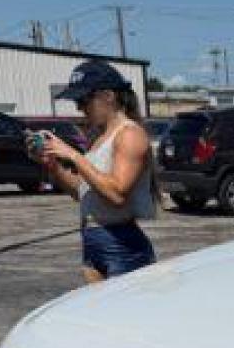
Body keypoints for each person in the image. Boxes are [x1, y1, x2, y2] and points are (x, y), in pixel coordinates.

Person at [35, 59, 157, 283]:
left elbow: (117, 194)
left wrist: (73, 156)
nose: (79, 108)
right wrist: (52, 164)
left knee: (121, 316)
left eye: (83, 100)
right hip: (93, 239)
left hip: (121, 244)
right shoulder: (98, 137)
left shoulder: (129, 134)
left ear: (108, 96)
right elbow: (81, 191)